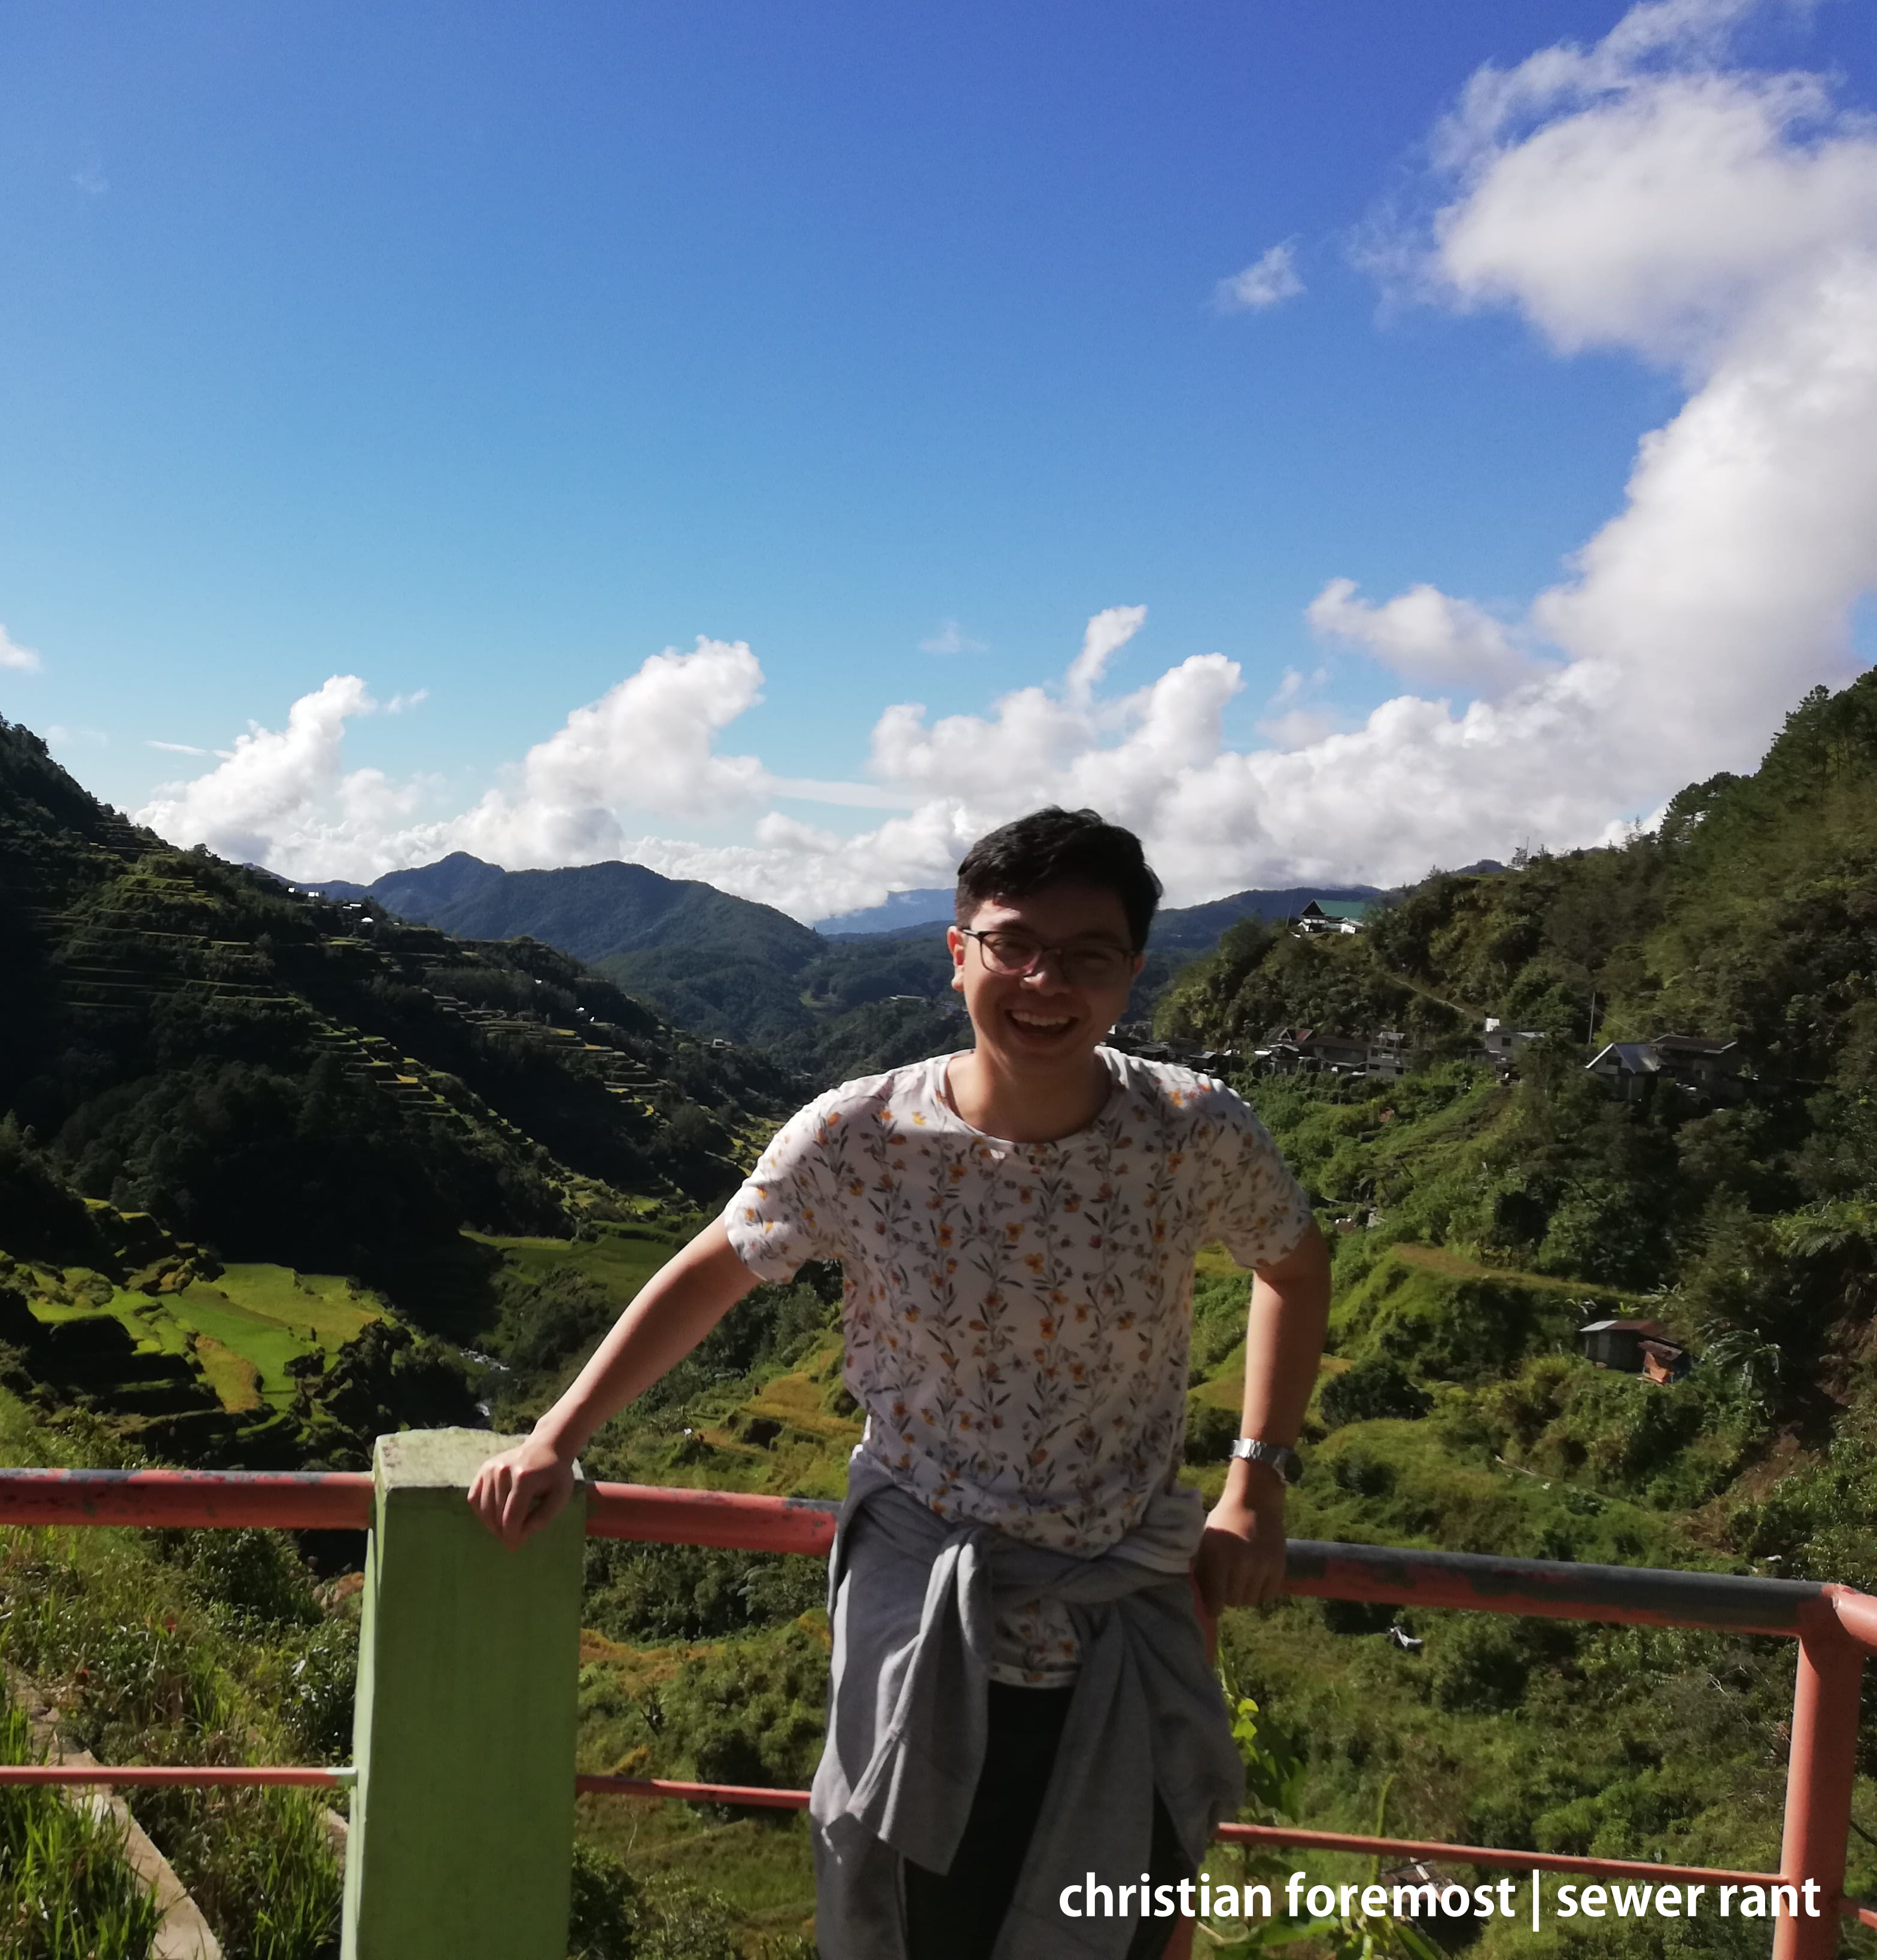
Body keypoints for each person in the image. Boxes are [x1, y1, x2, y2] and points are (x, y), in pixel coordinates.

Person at [470, 808, 1331, 1960]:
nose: (1042, 980)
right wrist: (557, 1437)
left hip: (1123, 1603)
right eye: (1011, 944)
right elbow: (710, 1272)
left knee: (1128, 1910)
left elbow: (1291, 1261)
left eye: (1084, 955)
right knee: (920, 1912)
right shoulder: (861, 1134)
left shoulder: (1188, 1130)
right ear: (956, 949)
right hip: (925, 1604)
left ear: (1131, 970)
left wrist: (1255, 1479)